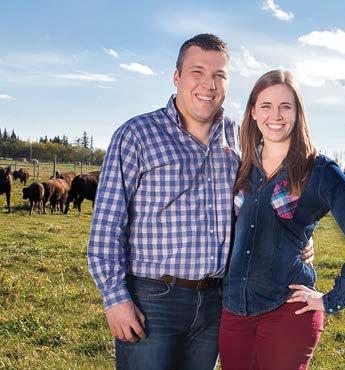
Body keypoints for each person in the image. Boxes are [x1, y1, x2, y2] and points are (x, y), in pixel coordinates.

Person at [87, 34, 313, 370]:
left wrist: (302, 232)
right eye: (198, 72)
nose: (208, 84)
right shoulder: (137, 134)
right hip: (152, 298)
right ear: (177, 77)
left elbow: (277, 188)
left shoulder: (242, 138)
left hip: (216, 301)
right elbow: (107, 223)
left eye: (219, 75)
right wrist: (115, 298)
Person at [218, 70, 345, 369]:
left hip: (287, 310)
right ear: (253, 112)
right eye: (266, 105)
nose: (276, 115)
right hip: (234, 310)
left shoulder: (318, 169)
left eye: (286, 106)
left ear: (297, 113)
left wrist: (333, 298)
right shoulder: (244, 166)